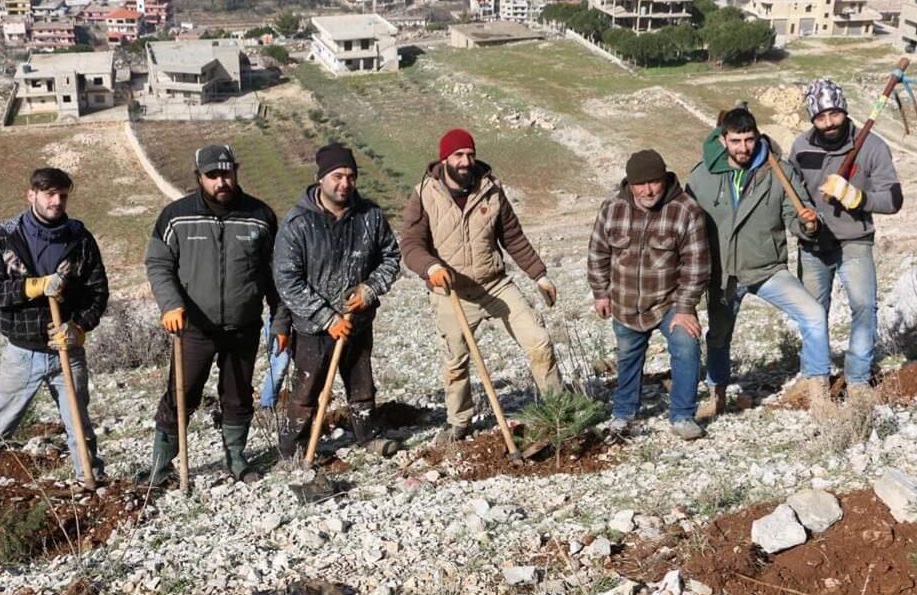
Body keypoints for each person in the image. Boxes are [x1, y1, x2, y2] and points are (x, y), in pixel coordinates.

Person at [0, 168, 108, 494]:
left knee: (79, 425)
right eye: (49, 194)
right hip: (22, 353)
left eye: (62, 195)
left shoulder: (80, 238)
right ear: (31, 194)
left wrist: (79, 327)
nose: (57, 201)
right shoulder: (4, 236)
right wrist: (31, 287)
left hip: (67, 348)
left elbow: (98, 292)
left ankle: (90, 483)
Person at [400, 128, 563, 444]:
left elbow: (512, 237)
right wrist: (431, 267)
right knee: (456, 363)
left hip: (495, 285)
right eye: (458, 155)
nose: (466, 161)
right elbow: (410, 244)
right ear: (445, 159)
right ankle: (459, 422)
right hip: (451, 291)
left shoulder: (491, 189)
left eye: (470, 154)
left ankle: (558, 412)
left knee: (539, 342)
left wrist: (539, 274)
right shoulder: (424, 194)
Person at [144, 144, 281, 484]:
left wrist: (280, 321)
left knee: (237, 394)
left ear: (236, 171)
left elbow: (275, 275)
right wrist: (170, 304)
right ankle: (161, 469)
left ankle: (236, 459)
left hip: (244, 325)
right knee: (182, 395)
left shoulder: (260, 216)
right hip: (193, 327)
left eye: (227, 173)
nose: (222, 181)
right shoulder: (175, 216)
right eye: (213, 175)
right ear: (199, 177)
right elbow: (159, 264)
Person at [686, 107, 832, 415]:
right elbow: (685, 226)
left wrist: (808, 224)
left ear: (757, 136)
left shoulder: (779, 170)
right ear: (722, 139)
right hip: (723, 275)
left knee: (815, 315)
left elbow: (796, 215)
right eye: (735, 140)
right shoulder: (702, 175)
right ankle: (717, 395)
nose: (743, 148)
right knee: (718, 337)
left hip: (767, 269)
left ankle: (820, 393)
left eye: (749, 140)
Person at [272, 144, 402, 458]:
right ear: (321, 179)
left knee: (362, 386)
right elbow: (287, 280)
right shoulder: (298, 224)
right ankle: (294, 449)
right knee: (306, 391)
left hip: (357, 322)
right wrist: (327, 319)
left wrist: (369, 289)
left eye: (351, 176)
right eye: (337, 176)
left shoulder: (369, 216)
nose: (345, 183)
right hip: (314, 329)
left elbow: (391, 257)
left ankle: (368, 436)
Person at [587, 150, 710, 440]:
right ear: (629, 184)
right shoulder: (612, 208)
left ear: (664, 179)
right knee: (628, 357)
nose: (648, 190)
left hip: (670, 302)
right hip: (625, 300)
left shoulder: (686, 210)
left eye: (654, 182)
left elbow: (697, 264)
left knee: (686, 345)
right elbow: (597, 252)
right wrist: (600, 292)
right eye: (640, 184)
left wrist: (685, 308)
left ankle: (682, 415)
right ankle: (624, 414)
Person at [791, 79, 903, 397]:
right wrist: (804, 224)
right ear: (812, 119)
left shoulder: (873, 146)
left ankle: (857, 379)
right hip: (814, 244)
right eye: (821, 118)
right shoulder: (800, 147)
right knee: (813, 311)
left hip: (856, 240)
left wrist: (859, 198)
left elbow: (894, 200)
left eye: (835, 115)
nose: (829, 123)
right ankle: (815, 376)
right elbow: (793, 199)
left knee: (865, 307)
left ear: (844, 111)